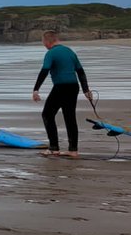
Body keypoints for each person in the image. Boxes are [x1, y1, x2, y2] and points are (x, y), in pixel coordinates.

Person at [33, 30, 93, 158]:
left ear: (48, 41)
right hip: (74, 87)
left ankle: (54, 148)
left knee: (47, 114)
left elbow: (44, 71)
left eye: (43, 42)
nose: (44, 45)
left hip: (61, 87)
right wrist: (86, 90)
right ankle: (73, 150)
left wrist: (36, 89)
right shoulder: (70, 51)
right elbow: (80, 71)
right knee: (70, 117)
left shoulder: (51, 53)